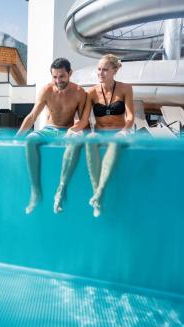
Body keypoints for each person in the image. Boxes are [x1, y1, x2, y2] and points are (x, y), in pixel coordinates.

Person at [53, 54, 134, 217]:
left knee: (115, 143)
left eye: (105, 70)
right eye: (99, 69)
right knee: (89, 138)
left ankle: (99, 193)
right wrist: (73, 130)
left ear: (114, 71)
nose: (100, 73)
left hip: (119, 133)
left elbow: (130, 116)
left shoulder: (126, 88)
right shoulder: (91, 93)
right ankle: (95, 194)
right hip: (99, 133)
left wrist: (124, 130)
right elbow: (83, 121)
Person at [16, 58, 87, 214]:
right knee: (30, 139)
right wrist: (17, 137)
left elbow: (82, 121)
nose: (58, 80)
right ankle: (35, 192)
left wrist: (75, 131)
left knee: (77, 140)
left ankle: (61, 189)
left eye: (61, 76)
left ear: (70, 73)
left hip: (67, 131)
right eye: (54, 77)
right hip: (48, 129)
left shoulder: (80, 93)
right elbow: (33, 116)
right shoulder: (47, 90)